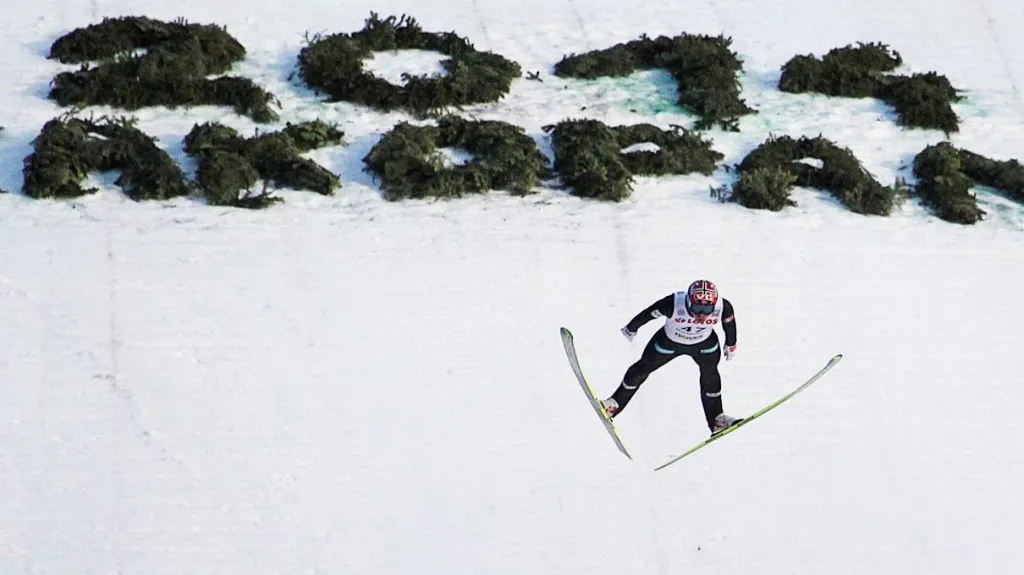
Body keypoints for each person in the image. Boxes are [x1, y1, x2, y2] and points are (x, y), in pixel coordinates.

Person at [600, 279, 742, 435]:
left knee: (711, 375)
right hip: (668, 343)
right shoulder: (674, 303)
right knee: (642, 368)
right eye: (697, 307)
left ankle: (717, 420)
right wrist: (631, 328)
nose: (701, 314)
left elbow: (729, 325)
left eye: (707, 309)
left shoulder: (723, 306)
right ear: (688, 302)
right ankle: (614, 405)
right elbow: (649, 313)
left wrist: (731, 344)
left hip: (704, 345)